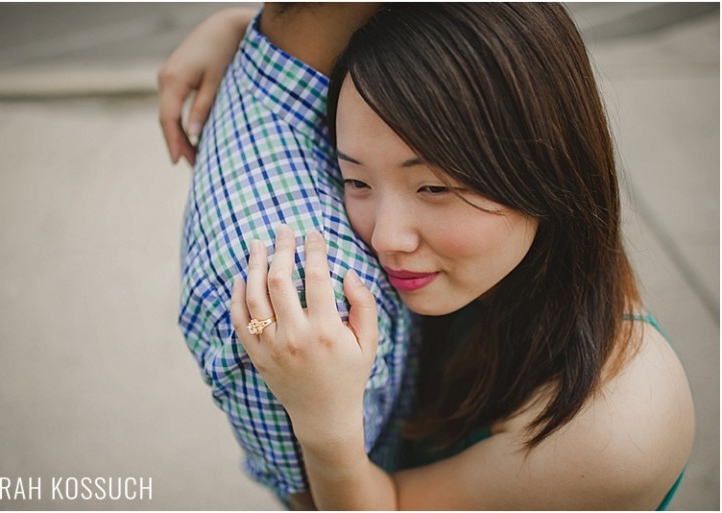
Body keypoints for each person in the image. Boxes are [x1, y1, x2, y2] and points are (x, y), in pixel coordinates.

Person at [230, 3, 695, 510]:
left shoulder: (619, 427)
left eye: (433, 187)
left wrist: (324, 423)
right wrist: (231, 33)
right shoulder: (498, 273)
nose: (386, 238)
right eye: (356, 180)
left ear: (550, 171)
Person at [161, 4, 415, 508]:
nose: (390, 239)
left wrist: (236, 22)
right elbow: (315, 500)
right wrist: (253, 332)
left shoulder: (283, 66)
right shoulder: (307, 303)